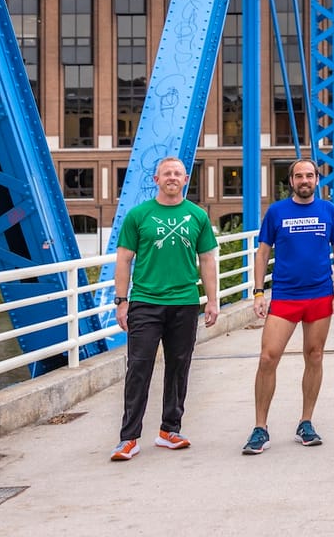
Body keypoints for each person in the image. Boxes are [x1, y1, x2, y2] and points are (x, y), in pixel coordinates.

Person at [110, 157, 219, 461]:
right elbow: (124, 259)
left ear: (186, 180)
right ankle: (128, 438)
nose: (172, 177)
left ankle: (169, 430)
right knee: (138, 368)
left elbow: (208, 260)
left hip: (184, 301)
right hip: (145, 302)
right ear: (156, 180)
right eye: (166, 173)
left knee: (178, 367)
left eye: (178, 174)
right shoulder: (138, 215)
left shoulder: (196, 215)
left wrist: (212, 300)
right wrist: (121, 301)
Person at [241, 159, 334, 455]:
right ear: (291, 181)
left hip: (320, 295)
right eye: (299, 175)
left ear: (317, 180)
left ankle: (306, 422)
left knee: (314, 356)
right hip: (285, 295)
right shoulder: (276, 212)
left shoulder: (328, 211)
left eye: (310, 175)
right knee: (268, 357)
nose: (305, 180)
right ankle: (260, 427)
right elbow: (263, 252)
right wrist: (259, 292)